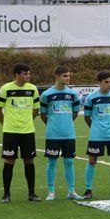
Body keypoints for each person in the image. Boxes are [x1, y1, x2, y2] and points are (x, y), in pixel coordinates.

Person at [0, 63, 40, 203]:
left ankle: (32, 194)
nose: (28, 76)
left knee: (29, 161)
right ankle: (6, 195)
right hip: (10, 132)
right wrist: (7, 124)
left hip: (28, 131)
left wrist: (27, 122)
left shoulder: (33, 89)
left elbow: (35, 110)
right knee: (9, 161)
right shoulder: (6, 89)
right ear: (17, 75)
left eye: (29, 73)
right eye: (25, 73)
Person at [40, 66, 83, 200]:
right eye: (65, 76)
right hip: (53, 134)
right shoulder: (47, 94)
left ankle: (71, 191)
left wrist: (66, 123)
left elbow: (75, 112)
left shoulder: (73, 94)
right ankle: (51, 192)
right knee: (52, 162)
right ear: (57, 76)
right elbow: (43, 114)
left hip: (69, 134)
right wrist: (53, 124)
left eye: (68, 75)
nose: (68, 78)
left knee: (69, 162)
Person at [83, 71, 110, 199]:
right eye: (106, 82)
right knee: (92, 160)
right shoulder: (91, 98)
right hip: (96, 135)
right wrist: (96, 127)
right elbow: (87, 117)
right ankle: (88, 189)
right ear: (99, 83)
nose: (109, 84)